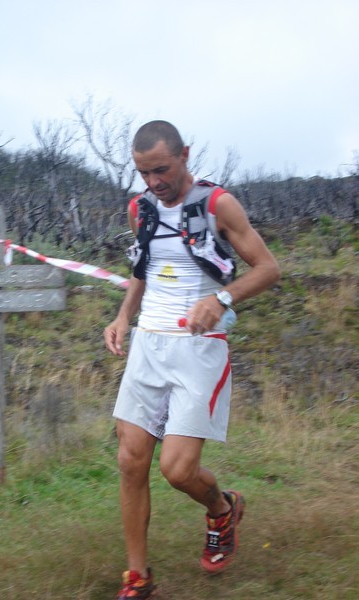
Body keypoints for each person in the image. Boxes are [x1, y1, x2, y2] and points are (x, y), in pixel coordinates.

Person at [104, 120, 280, 599]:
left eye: (161, 169)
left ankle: (222, 509)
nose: (154, 182)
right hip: (148, 345)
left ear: (184, 154)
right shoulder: (139, 208)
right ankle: (138, 577)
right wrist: (123, 317)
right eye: (144, 173)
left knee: (178, 471)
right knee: (130, 461)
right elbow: (142, 268)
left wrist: (221, 299)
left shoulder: (217, 204)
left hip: (200, 348)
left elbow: (268, 268)